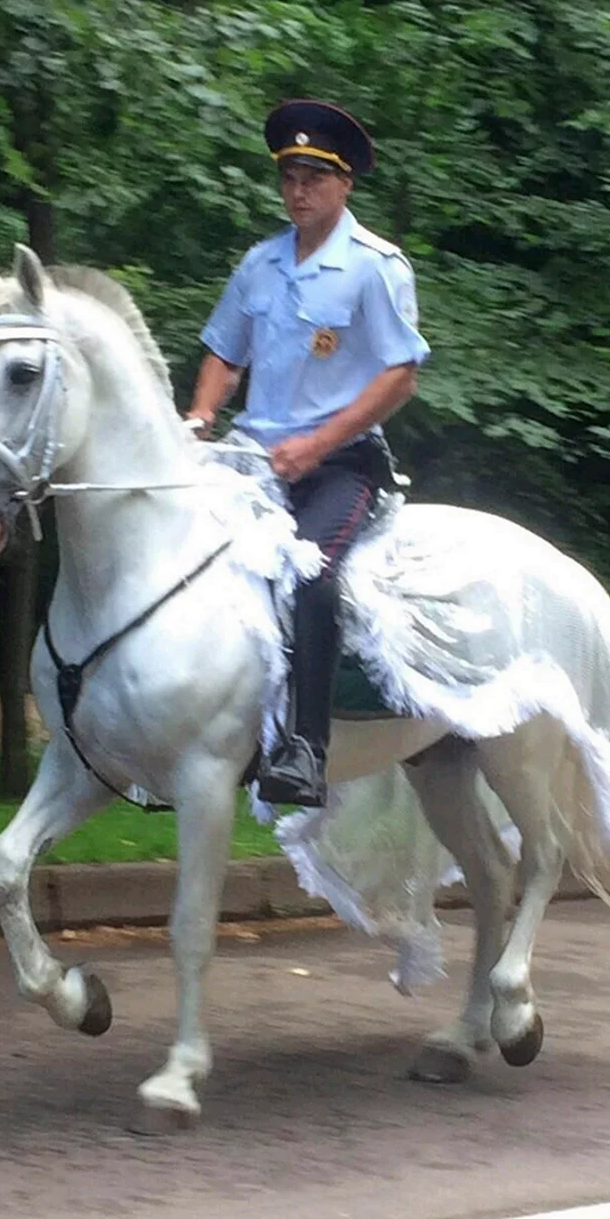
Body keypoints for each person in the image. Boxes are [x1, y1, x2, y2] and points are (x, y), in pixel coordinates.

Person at [187, 98, 431, 806]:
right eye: (290, 176)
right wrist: (203, 413)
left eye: (314, 177)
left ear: (345, 182)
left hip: (339, 465)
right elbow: (223, 352)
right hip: (252, 460)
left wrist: (320, 442)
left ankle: (303, 748)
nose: (299, 189)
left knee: (310, 574)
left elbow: (401, 374)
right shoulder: (260, 264)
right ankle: (180, 722)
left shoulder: (374, 267)